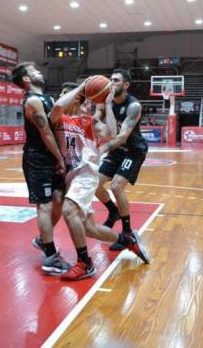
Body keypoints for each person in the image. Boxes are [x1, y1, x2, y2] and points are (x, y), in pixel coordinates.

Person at [51, 81, 150, 280]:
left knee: (69, 210)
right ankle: (128, 240)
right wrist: (81, 88)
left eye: (66, 94)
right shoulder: (58, 118)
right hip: (70, 177)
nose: (62, 98)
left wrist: (108, 104)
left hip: (86, 175)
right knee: (90, 229)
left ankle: (85, 263)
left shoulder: (90, 122)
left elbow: (112, 133)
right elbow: (58, 105)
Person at [11, 62, 69, 275]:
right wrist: (60, 158)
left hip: (52, 156)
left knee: (59, 200)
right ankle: (51, 257)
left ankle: (43, 240)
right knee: (44, 206)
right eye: (33, 71)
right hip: (37, 158)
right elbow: (45, 133)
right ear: (26, 79)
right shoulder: (32, 101)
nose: (39, 72)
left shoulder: (48, 99)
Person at [95, 69, 149, 251]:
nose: (112, 83)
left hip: (133, 150)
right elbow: (99, 119)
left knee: (117, 186)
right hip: (116, 150)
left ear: (126, 85)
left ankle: (127, 233)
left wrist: (102, 149)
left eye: (116, 80)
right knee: (94, 183)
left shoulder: (134, 106)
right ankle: (113, 211)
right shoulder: (106, 101)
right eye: (110, 79)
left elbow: (122, 136)